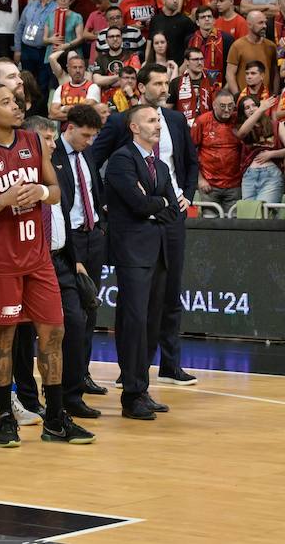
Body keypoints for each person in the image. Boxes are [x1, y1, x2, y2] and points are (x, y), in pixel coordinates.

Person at [0, 83, 90, 446]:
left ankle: (57, 419)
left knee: (54, 335)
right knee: (3, 339)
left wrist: (42, 193)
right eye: (6, 102)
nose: (15, 106)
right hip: (0, 262)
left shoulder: (32, 142)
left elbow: (57, 190)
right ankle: (3, 416)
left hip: (38, 258)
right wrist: (1, 200)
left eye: (15, 101)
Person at [88, 64, 199, 386]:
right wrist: (104, 199)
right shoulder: (125, 125)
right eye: (159, 83)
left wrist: (186, 197)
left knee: (169, 293)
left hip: (172, 215)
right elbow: (93, 160)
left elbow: (190, 163)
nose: (165, 88)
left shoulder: (175, 121)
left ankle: (169, 363)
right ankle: (132, 372)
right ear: (142, 87)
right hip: (136, 223)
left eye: (168, 82)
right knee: (136, 302)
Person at [103, 103, 186, 420]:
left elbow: (171, 209)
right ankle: (131, 394)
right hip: (134, 253)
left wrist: (157, 203)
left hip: (160, 250)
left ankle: (142, 387)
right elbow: (138, 204)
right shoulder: (122, 160)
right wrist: (158, 202)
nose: (158, 125)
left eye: (158, 120)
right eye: (151, 120)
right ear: (134, 127)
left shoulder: (161, 167)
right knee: (134, 322)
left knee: (153, 323)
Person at [48, 102, 108, 414]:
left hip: (91, 235)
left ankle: (81, 375)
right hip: (65, 243)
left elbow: (94, 193)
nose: (89, 140)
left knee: (90, 309)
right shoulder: (52, 154)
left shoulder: (88, 154)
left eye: (93, 136)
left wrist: (100, 229)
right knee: (69, 318)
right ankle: (64, 388)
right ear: (68, 128)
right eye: (85, 135)